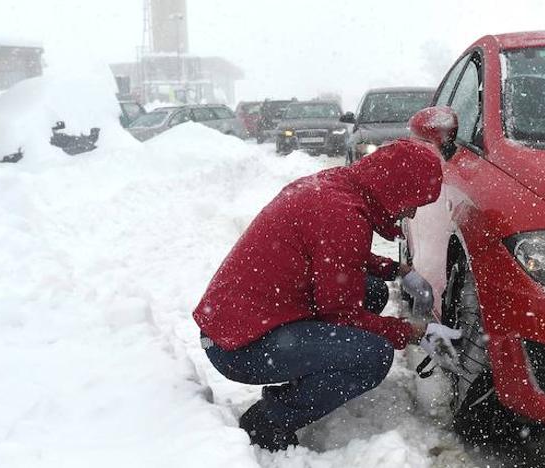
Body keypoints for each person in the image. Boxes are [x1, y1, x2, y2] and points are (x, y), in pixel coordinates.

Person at [192, 120, 452, 451]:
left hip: (234, 324)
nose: (411, 213)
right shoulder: (342, 215)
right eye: (413, 202)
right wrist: (406, 332)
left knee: (372, 292)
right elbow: (340, 313)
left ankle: (313, 372)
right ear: (395, 189)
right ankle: (267, 421)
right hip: (239, 346)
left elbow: (334, 253)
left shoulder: (337, 189)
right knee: (372, 355)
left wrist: (393, 269)